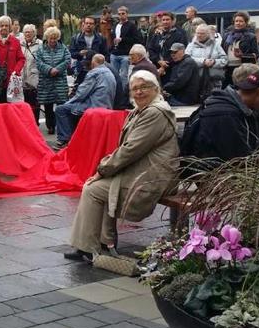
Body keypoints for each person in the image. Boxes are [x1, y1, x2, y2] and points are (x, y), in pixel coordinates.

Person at [64, 70, 179, 262]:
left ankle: (89, 246)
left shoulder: (155, 113)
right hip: (144, 171)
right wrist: (106, 170)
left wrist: (102, 169)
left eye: (144, 87)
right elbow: (127, 149)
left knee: (92, 189)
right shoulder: (141, 111)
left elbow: (130, 150)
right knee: (100, 187)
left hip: (153, 178)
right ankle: (103, 242)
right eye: (135, 89)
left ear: (155, 89)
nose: (139, 92)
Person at [54, 55, 117, 148]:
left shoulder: (94, 73)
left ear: (93, 63)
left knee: (61, 109)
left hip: (93, 106)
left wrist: (68, 102)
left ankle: (65, 140)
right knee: (71, 108)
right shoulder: (110, 72)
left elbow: (81, 93)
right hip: (107, 106)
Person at [35, 26, 71, 135]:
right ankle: (50, 126)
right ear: (47, 38)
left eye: (55, 38)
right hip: (46, 81)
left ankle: (61, 127)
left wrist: (57, 69)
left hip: (60, 80)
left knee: (61, 105)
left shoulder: (63, 48)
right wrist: (49, 70)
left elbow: (67, 59)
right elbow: (39, 62)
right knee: (48, 105)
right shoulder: (41, 49)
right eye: (51, 38)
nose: (53, 40)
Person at [0, 16, 24, 104]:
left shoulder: (15, 41)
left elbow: (21, 59)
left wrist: (16, 71)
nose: (4, 28)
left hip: (10, 80)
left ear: (10, 27)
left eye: (6, 26)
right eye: (2, 25)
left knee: (10, 105)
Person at [185, 24, 227, 94]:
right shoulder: (191, 45)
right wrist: (203, 61)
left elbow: (225, 59)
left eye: (202, 33)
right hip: (196, 79)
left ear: (208, 34)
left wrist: (214, 62)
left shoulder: (216, 45)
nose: (199, 35)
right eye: (198, 33)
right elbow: (187, 59)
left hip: (213, 80)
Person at [161, 42, 203, 106]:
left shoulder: (188, 62)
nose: (172, 55)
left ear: (182, 51)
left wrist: (163, 88)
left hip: (184, 100)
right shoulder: (179, 62)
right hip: (179, 97)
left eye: (175, 52)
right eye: (171, 53)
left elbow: (178, 82)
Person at [223, 11, 259, 86]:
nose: (238, 23)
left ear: (246, 23)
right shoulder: (227, 35)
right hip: (227, 68)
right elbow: (222, 50)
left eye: (241, 21)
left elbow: (256, 55)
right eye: (236, 21)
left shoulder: (251, 37)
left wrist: (242, 55)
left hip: (242, 68)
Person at [109, 6, 143, 84]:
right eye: (119, 14)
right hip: (114, 53)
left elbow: (137, 39)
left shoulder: (131, 26)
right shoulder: (115, 25)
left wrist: (122, 39)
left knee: (123, 75)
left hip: (125, 54)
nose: (121, 15)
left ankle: (123, 93)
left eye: (123, 13)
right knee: (114, 75)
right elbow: (111, 38)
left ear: (127, 14)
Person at [69, 16, 108, 84]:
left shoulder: (101, 39)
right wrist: (79, 53)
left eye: (91, 23)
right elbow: (72, 54)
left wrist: (95, 55)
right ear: (83, 24)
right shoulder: (76, 38)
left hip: (96, 68)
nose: (88, 25)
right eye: (86, 23)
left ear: (95, 25)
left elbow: (106, 55)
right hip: (81, 69)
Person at [20, 24, 42, 123]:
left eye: (30, 32)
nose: (28, 34)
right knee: (24, 105)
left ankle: (35, 123)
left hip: (34, 78)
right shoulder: (19, 44)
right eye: (26, 32)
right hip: (22, 78)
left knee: (34, 104)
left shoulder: (40, 44)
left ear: (34, 33)